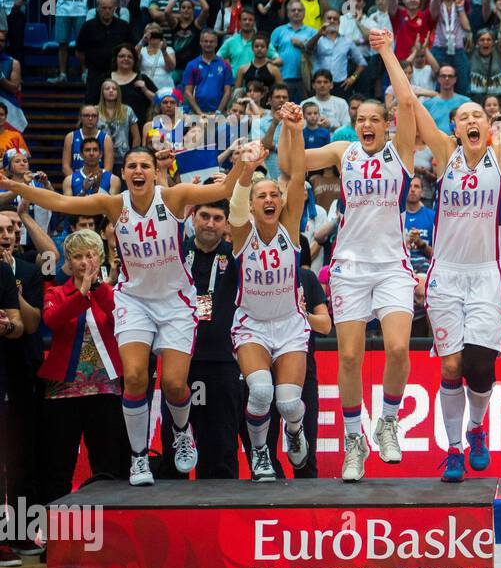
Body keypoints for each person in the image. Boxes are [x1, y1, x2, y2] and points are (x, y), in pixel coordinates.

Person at [1, 145, 251, 486]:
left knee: (176, 384)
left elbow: (223, 190)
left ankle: (180, 431)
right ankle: (138, 458)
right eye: (131, 165)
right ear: (125, 172)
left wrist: (243, 164)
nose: (138, 170)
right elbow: (61, 202)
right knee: (134, 378)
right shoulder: (113, 204)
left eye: (144, 165)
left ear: (152, 171)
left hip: (176, 302)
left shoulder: (174, 197)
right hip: (134, 301)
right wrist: (17, 188)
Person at [398, 18, 501, 482]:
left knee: (481, 366)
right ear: (454, 127)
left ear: (490, 127)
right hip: (446, 273)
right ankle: (454, 447)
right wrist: (389, 56)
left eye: (479, 116)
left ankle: (477, 427)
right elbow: (411, 102)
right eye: (464, 117)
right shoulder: (444, 154)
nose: (472, 120)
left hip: (487, 274)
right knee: (451, 364)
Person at [301, 31, 418, 482]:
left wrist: (387, 50)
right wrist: (289, 129)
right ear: (355, 123)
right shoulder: (342, 151)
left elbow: (407, 104)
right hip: (349, 267)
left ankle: (387, 422)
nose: (367, 123)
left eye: (375, 118)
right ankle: (354, 440)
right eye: (360, 117)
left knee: (398, 347)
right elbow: (297, 162)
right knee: (348, 358)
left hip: (392, 266)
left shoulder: (400, 154)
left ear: (386, 125)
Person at [228, 103, 310, 481]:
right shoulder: (242, 233)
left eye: (273, 194)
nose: (269, 199)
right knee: (260, 393)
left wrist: (294, 129)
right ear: (253, 203)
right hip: (253, 324)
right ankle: (259, 452)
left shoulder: (289, 227)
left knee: (290, 403)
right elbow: (237, 201)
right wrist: (246, 170)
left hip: (290, 323)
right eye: (261, 195)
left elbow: (298, 176)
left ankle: (294, 432)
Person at [36, 228, 130, 504]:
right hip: (62, 392)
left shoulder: (112, 294)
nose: (84, 262)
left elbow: (119, 316)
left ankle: (113, 527)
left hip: (106, 389)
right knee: (58, 464)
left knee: (109, 464)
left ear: (100, 257)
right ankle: (56, 531)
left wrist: (97, 288)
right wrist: (82, 293)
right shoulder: (56, 292)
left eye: (90, 255)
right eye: (77, 257)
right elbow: (52, 320)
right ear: (69, 261)